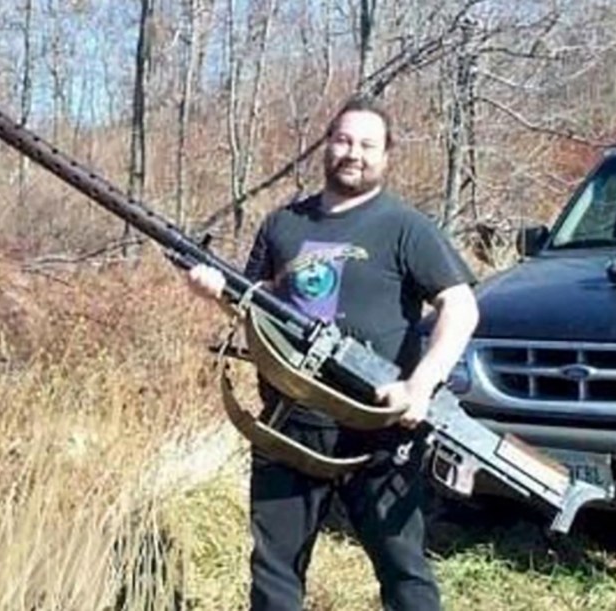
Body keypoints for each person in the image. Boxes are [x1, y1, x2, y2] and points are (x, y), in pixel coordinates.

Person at [186, 96, 479, 611]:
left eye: (368, 144)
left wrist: (420, 385)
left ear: (387, 155)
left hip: (381, 427)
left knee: (403, 567)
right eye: (343, 140)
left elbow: (460, 307)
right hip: (290, 424)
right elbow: (255, 310)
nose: (353, 153)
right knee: (274, 572)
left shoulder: (405, 227)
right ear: (326, 145)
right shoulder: (283, 224)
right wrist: (215, 294)